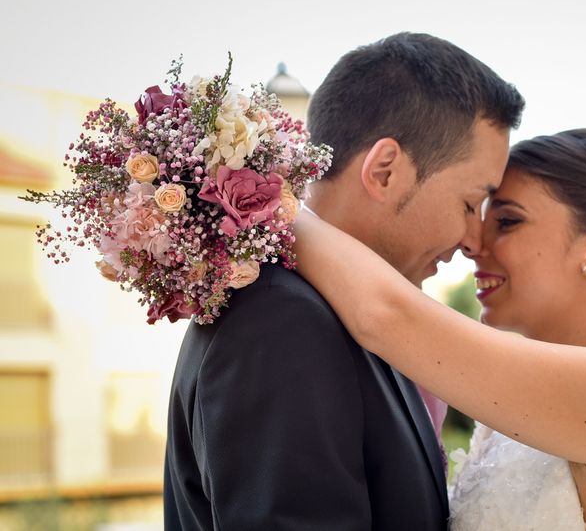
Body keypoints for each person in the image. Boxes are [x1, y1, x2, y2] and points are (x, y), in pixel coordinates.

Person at [292, 128, 586, 530]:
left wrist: (265, 200)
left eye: (507, 221)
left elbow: (385, 315)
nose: (473, 242)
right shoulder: (524, 402)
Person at [163, 32, 524, 530]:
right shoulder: (281, 320)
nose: (472, 239)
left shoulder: (352, 312)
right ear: (383, 171)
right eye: (469, 203)